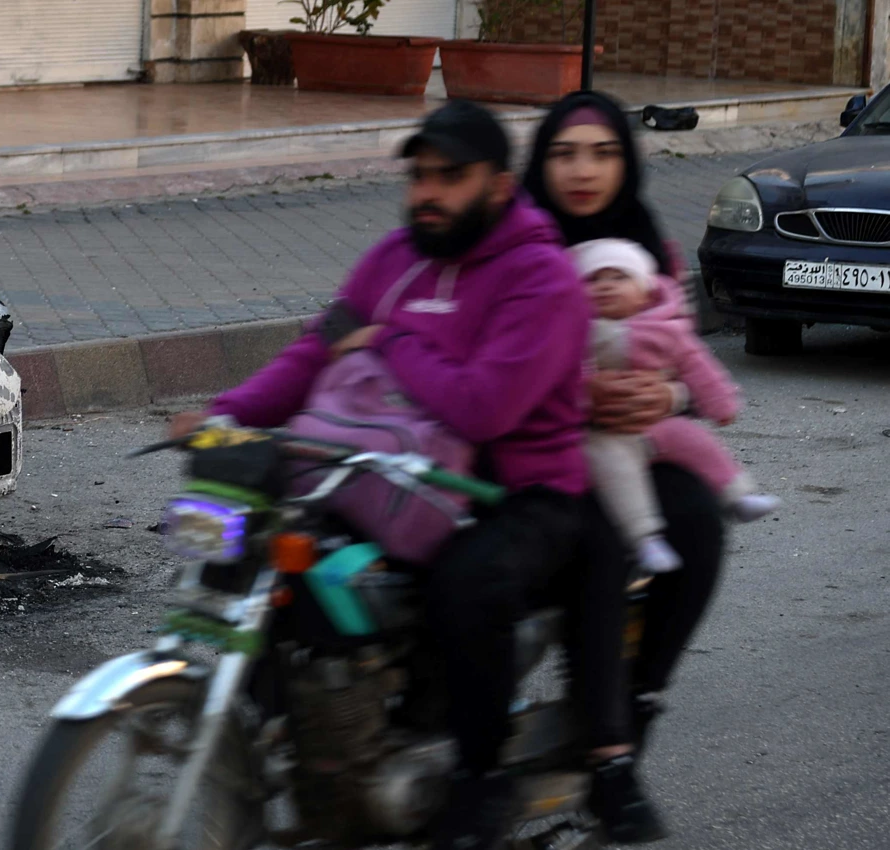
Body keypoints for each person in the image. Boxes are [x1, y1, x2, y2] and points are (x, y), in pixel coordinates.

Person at [166, 100, 635, 850]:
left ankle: (478, 780)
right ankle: (314, 743)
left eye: (452, 176)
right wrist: (227, 415)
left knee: (466, 585)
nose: (429, 192)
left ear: (499, 184)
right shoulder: (392, 258)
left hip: (518, 492)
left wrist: (394, 342)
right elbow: (318, 350)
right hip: (390, 479)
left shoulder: (541, 278)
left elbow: (484, 408)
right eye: (420, 175)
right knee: (273, 556)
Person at [525, 90, 736, 845]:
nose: (584, 171)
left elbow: (684, 355)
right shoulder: (520, 241)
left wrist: (666, 392)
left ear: (627, 162)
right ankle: (607, 756)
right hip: (543, 447)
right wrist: (584, 395)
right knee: (602, 546)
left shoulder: (650, 245)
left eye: (603, 153)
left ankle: (638, 702)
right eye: (565, 152)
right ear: (540, 161)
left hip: (635, 439)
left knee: (700, 526)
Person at [574, 237, 778, 573]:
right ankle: (645, 539)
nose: (605, 287)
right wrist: (586, 394)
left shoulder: (664, 328)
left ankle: (738, 494)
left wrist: (720, 403)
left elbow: (697, 364)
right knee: (616, 473)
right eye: (593, 280)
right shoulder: (577, 333)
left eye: (618, 278)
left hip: (659, 422)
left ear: (644, 289)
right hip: (603, 431)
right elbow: (564, 373)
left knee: (697, 441)